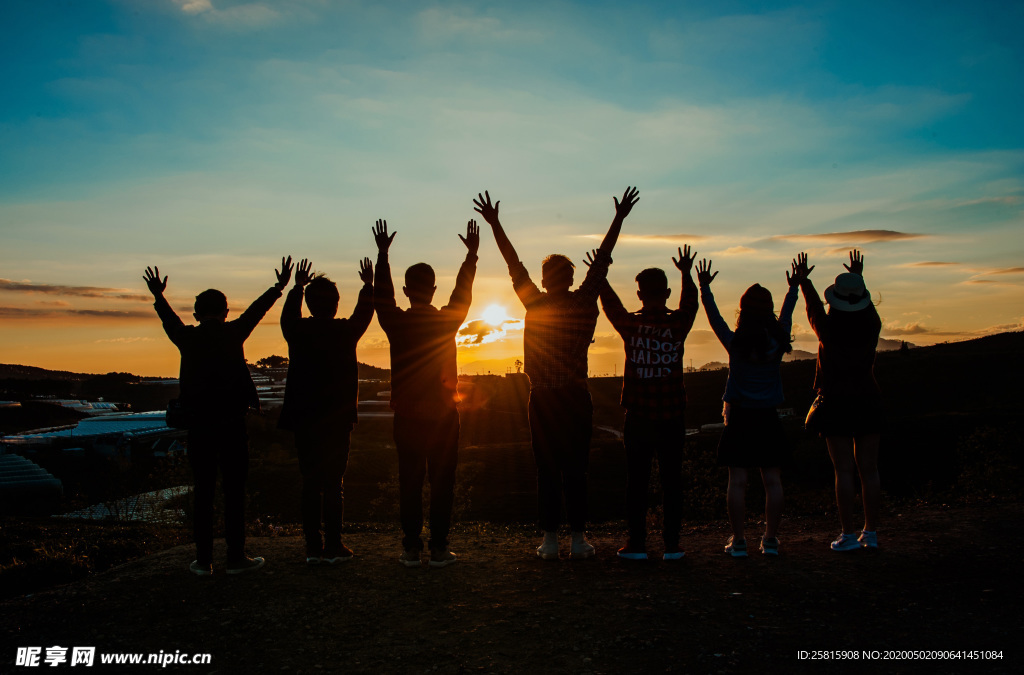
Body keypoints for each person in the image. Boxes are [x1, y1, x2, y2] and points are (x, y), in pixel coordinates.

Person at [473, 187, 639, 560]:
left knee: (547, 469)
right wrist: (619, 218)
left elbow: (513, 263)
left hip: (544, 399)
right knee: (576, 469)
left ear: (546, 279)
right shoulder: (584, 301)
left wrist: (496, 223)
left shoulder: (535, 301)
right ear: (570, 277)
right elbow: (603, 260)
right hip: (576, 397)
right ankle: (578, 539)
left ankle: (550, 539)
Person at [143, 257, 293, 575]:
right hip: (232, 424)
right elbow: (256, 311)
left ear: (196, 314)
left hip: (198, 426)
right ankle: (236, 557)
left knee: (204, 491)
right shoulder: (233, 333)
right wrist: (278, 287)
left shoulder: (188, 337)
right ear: (226, 312)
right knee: (234, 491)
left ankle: (203, 560)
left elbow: (169, 320)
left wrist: (159, 296)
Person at [374, 218, 478, 568]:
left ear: (407, 290)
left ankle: (410, 549)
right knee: (442, 482)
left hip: (406, 415)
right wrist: (471, 258)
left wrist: (383, 256)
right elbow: (462, 295)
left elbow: (381, 298)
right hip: (445, 415)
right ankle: (438, 548)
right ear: (434, 290)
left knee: (410, 482)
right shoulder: (446, 320)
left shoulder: (396, 322)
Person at [597, 246, 699, 561]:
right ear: (667, 292)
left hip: (639, 416)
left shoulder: (631, 326)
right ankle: (672, 545)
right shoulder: (678, 324)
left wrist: (601, 275)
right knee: (672, 481)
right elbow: (690, 303)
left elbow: (610, 305)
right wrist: (686, 273)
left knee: (637, 482)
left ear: (639, 294)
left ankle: (637, 544)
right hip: (672, 416)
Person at [697, 256, 799, 557]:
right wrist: (793, 288)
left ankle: (739, 540)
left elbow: (714, 318)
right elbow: (788, 314)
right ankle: (770, 540)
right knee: (772, 480)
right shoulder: (777, 342)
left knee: (737, 481)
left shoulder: (736, 342)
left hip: (739, 417)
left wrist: (705, 288)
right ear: (768, 311)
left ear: (743, 311)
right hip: (768, 417)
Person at [279, 257, 374, 564]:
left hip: (305, 418)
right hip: (337, 419)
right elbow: (364, 312)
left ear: (308, 304)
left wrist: (296, 288)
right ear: (335, 304)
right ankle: (334, 545)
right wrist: (368, 285)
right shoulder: (345, 332)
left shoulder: (297, 331)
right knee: (334, 483)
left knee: (310, 482)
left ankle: (312, 547)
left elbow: (288, 317)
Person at [796, 250, 883, 551]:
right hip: (868, 398)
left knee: (843, 470)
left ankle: (847, 534)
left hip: (835, 401)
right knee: (869, 469)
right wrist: (858, 278)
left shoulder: (828, 330)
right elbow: (863, 306)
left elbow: (812, 310)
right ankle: (870, 532)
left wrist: (804, 281)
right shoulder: (872, 325)